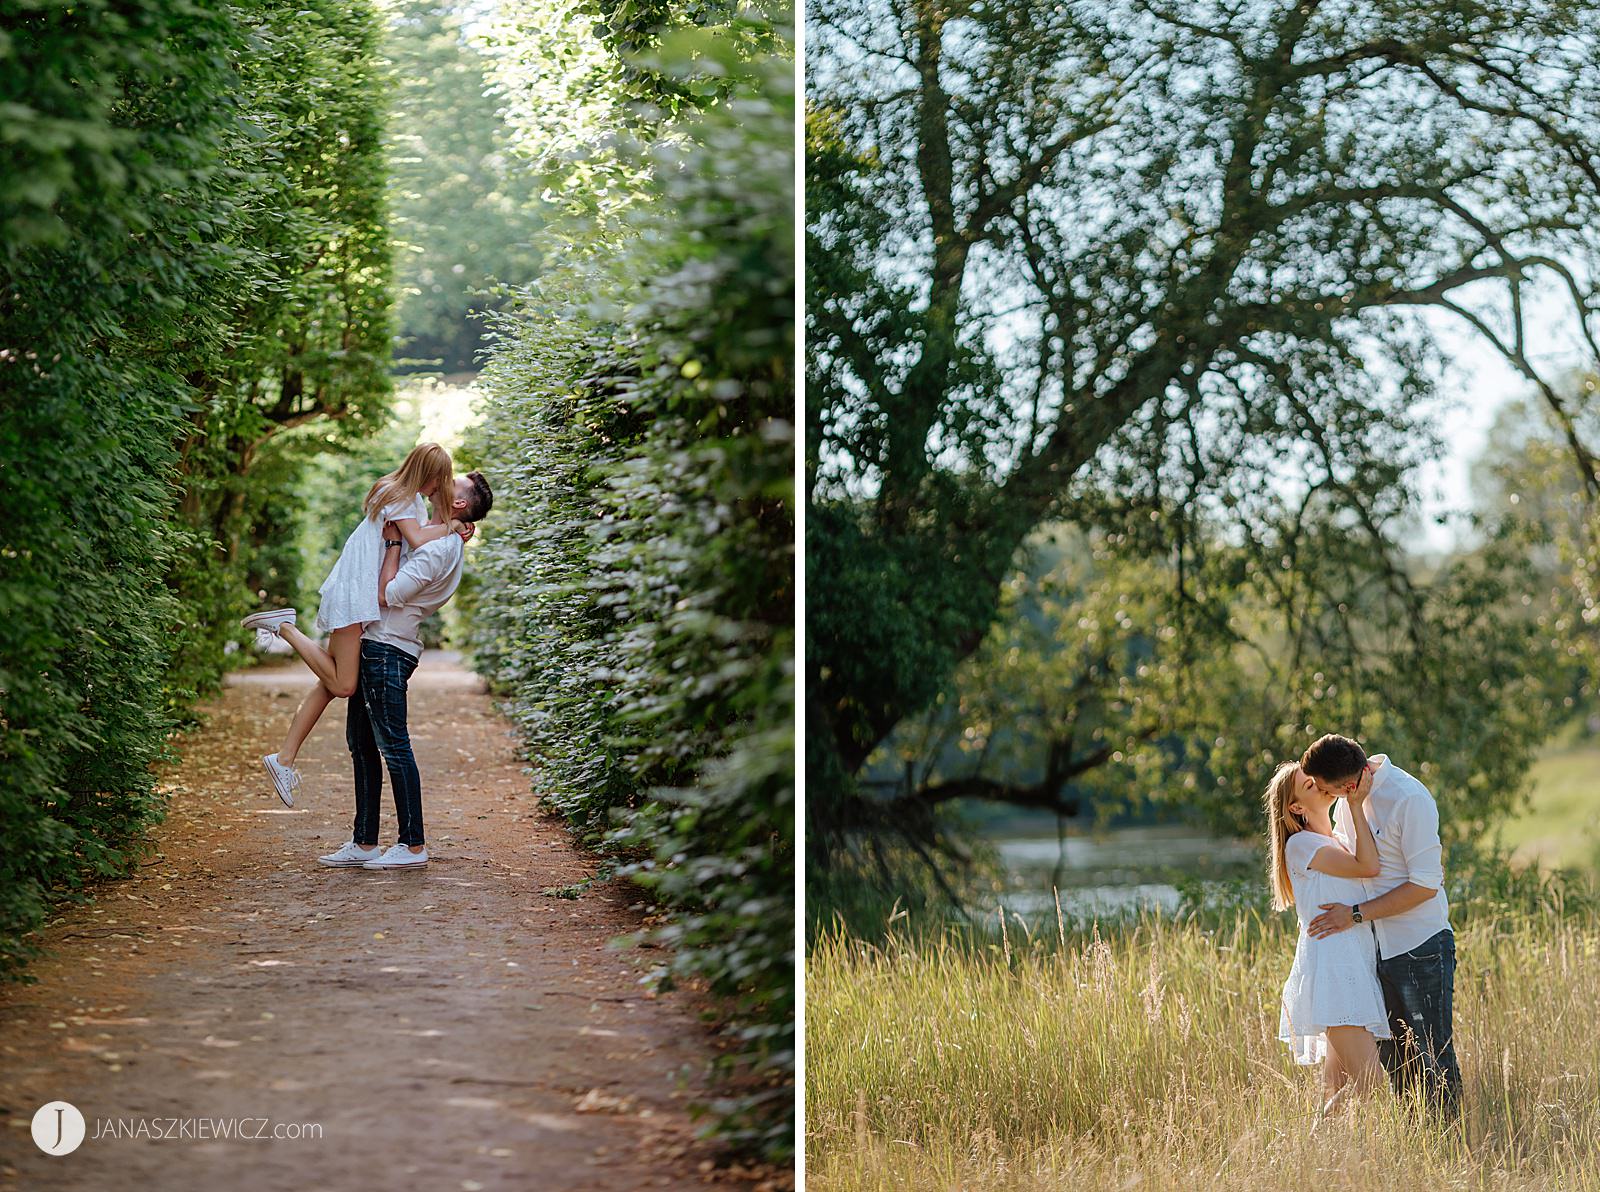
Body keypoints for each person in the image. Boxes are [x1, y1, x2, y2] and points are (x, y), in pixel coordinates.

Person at [240, 443, 466, 805]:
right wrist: (454, 526)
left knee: (330, 684)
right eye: (439, 480)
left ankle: (283, 759)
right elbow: (419, 539)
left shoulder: (392, 489)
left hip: (355, 586)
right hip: (357, 591)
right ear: (429, 474)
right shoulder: (405, 499)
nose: (440, 488)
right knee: (344, 685)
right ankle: (285, 627)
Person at [316, 470, 493, 870]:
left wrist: (394, 543)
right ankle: (364, 842)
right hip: (375, 644)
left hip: (388, 650)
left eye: (454, 481)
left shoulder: (439, 548)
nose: (443, 479)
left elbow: (387, 593)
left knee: (394, 747)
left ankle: (413, 845)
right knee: (360, 745)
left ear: (460, 503)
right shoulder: (435, 534)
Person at [1300, 733, 1462, 1115]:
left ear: (1348, 784)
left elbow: (1425, 885)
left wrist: (1354, 914)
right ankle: (1414, 1145)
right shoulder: (1349, 805)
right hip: (1372, 950)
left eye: (1326, 790)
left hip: (1420, 945)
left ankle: (1452, 1146)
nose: (1324, 795)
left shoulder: (1409, 799)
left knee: (1433, 1055)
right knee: (1395, 1060)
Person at [1266, 759, 1391, 1116]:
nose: (1321, 784)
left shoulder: (1333, 839)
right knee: (1372, 1087)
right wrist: (1354, 803)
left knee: (1339, 1094)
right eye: (1311, 786)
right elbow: (1368, 867)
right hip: (1335, 974)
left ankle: (1325, 1164)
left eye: (1320, 779)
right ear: (1297, 808)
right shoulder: (1302, 845)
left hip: (1353, 966)